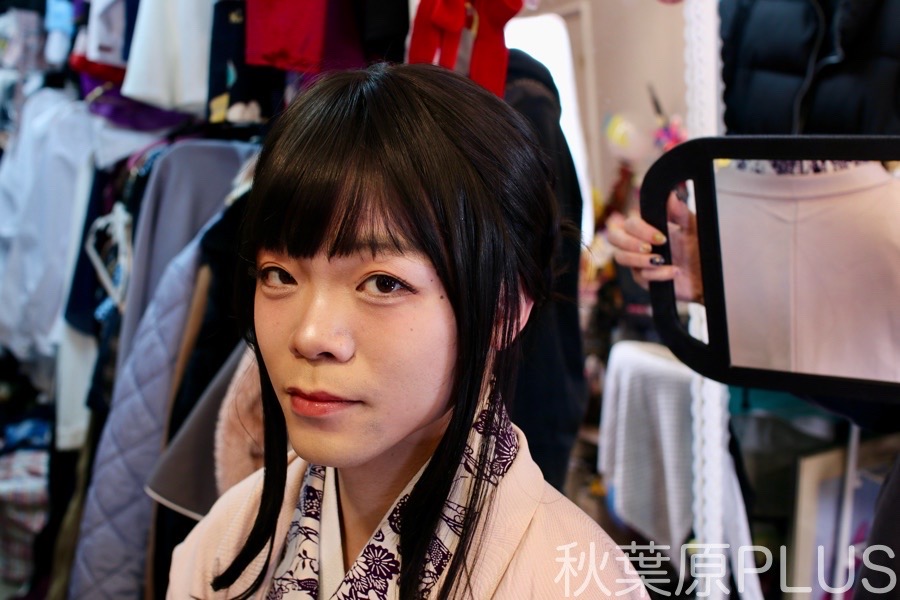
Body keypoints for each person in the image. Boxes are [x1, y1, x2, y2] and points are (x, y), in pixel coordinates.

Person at [167, 62, 644, 599]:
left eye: (383, 283)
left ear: (505, 307)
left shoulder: (580, 583)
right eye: (279, 275)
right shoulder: (220, 543)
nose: (311, 335)